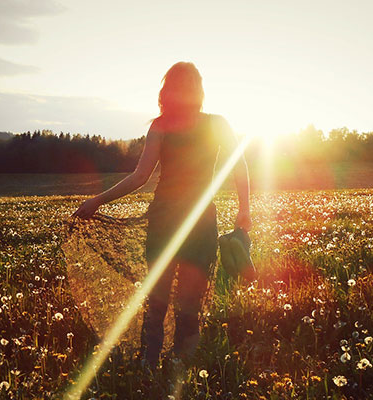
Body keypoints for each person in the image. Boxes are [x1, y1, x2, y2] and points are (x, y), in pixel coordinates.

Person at [71, 61, 251, 367]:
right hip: (185, 221)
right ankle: (167, 366)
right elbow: (239, 168)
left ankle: (155, 365)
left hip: (181, 221)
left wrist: (98, 201)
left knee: (165, 302)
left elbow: (140, 177)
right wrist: (98, 201)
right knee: (181, 303)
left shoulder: (174, 125)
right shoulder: (178, 125)